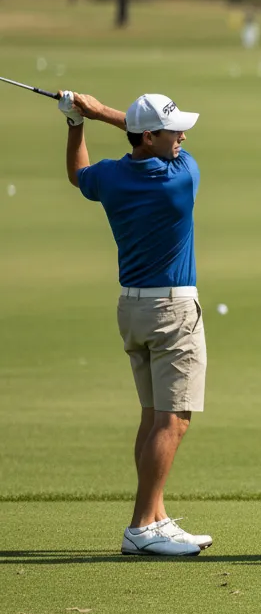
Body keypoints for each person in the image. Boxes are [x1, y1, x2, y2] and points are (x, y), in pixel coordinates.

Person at [60, 90, 212, 557]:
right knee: (174, 420)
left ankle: (157, 516)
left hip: (133, 309)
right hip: (173, 314)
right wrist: (97, 109)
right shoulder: (180, 177)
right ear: (149, 137)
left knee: (152, 417)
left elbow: (77, 174)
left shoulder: (110, 176)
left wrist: (75, 123)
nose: (183, 136)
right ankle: (142, 525)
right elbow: (130, 134)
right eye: (173, 131)